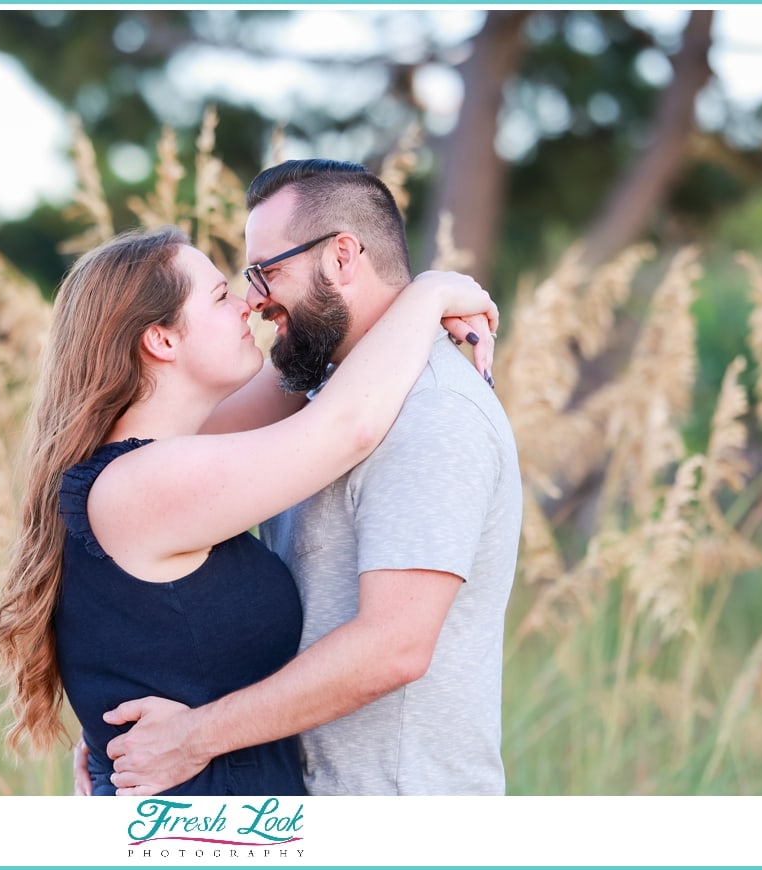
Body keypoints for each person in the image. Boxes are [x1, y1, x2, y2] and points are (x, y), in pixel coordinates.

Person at [0, 220, 498, 796]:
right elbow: (346, 426)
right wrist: (429, 293)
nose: (249, 304)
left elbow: (305, 370)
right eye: (223, 296)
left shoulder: (157, 460)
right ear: (163, 340)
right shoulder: (144, 484)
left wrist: (379, 304)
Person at [101, 160, 523, 796]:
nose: (255, 299)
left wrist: (191, 739)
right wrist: (109, 716)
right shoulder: (324, 394)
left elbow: (395, 647)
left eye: (267, 271)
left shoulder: (432, 413)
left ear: (342, 258)